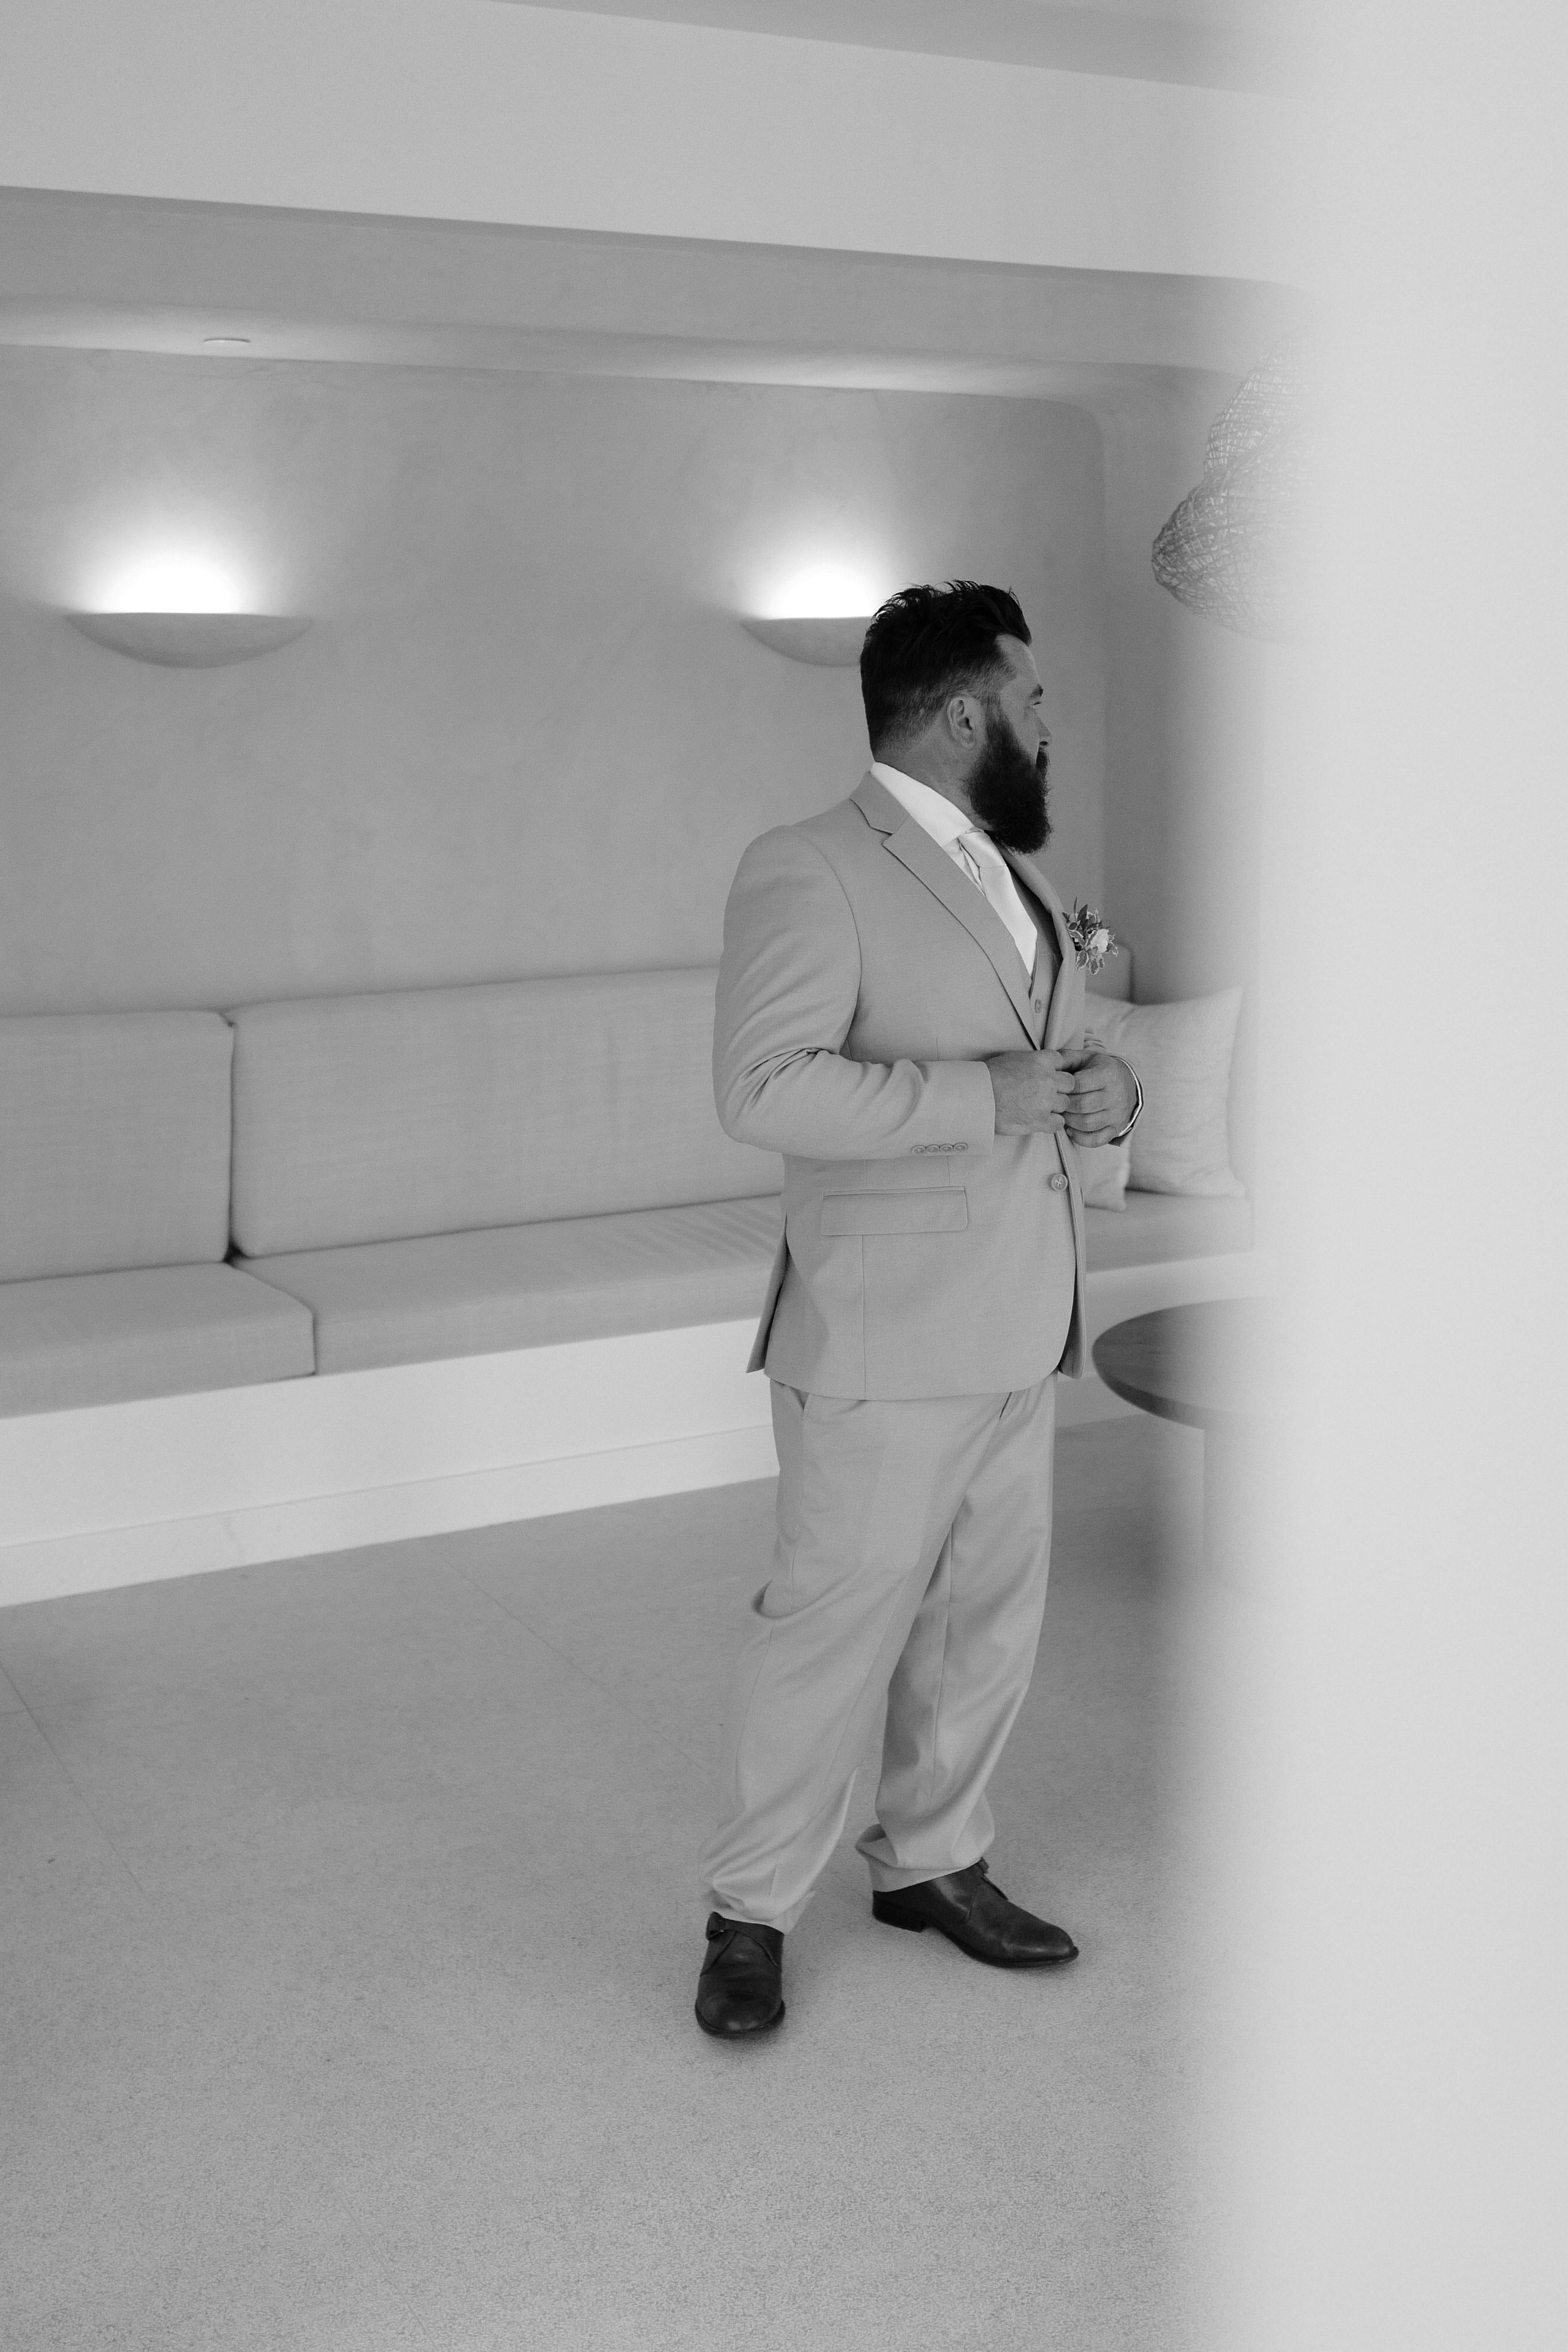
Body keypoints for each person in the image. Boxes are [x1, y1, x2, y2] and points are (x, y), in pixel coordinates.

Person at [694, 580, 1142, 2038]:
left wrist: (1102, 1092)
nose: (1043, 729)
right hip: (882, 1338)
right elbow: (760, 1089)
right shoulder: (806, 865)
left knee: (981, 1624)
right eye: (1030, 704)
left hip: (1024, 1315)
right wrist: (985, 1098)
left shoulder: (1011, 876)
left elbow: (1051, 1058)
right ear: (961, 713)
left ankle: (931, 1864)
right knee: (827, 1627)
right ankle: (749, 1908)